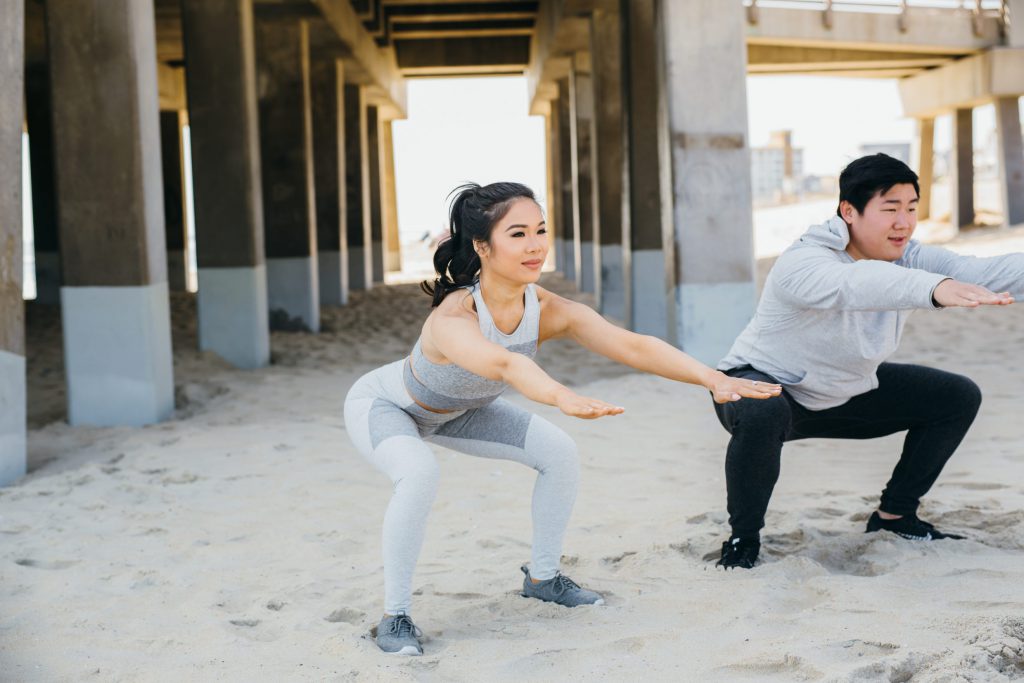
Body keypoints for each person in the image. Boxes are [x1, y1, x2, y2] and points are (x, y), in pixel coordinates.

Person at [344, 182, 780, 655]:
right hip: (390, 407)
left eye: (541, 230)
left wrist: (710, 377)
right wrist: (559, 396)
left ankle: (543, 578)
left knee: (559, 452)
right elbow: (507, 365)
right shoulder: (454, 316)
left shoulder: (548, 309)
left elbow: (631, 344)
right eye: (517, 234)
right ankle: (396, 616)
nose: (535, 245)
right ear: (482, 246)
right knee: (419, 474)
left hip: (461, 412)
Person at [712, 153, 1023, 569]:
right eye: (890, 209)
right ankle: (743, 539)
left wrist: (946, 280)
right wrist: (936, 289)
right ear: (849, 212)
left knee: (956, 396)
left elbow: (981, 272)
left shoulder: (909, 257)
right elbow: (856, 285)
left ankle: (895, 516)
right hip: (762, 386)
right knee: (762, 410)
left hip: (845, 391)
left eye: (912, 208)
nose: (904, 222)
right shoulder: (803, 262)